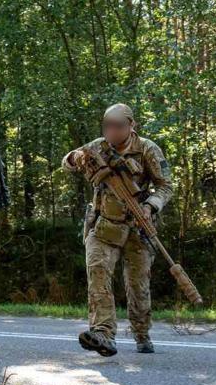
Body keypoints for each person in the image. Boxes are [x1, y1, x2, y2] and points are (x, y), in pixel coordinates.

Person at [62, 103, 173, 356]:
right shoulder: (98, 146)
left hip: (138, 228)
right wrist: (75, 157)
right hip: (104, 225)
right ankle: (102, 333)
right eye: (107, 125)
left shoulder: (147, 149)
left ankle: (141, 332)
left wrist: (150, 206)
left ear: (131, 125)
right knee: (98, 276)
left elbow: (165, 186)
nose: (111, 130)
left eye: (117, 126)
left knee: (138, 286)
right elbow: (68, 162)